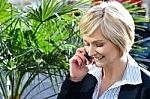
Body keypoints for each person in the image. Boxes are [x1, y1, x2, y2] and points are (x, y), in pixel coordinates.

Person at [57, 1, 150, 99]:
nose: (90, 52)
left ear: (121, 40)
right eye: (87, 43)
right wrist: (74, 81)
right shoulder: (84, 75)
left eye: (99, 44)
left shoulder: (147, 87)